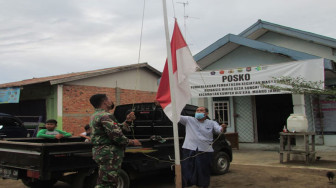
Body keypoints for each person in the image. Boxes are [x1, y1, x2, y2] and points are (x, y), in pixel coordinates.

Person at [89, 94, 141, 188]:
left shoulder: (96, 115)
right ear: (105, 102)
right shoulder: (105, 116)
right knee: (109, 183)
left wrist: (127, 121)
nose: (111, 101)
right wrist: (132, 142)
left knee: (103, 181)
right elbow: (117, 136)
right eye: (109, 99)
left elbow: (114, 129)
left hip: (102, 152)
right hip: (109, 154)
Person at [179, 106, 226, 188]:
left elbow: (219, 130)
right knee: (187, 169)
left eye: (201, 110)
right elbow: (174, 116)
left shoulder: (211, 123)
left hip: (205, 151)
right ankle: (186, 185)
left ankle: (203, 185)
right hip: (189, 149)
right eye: (197, 110)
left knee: (203, 171)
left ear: (206, 113)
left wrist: (223, 128)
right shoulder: (189, 120)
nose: (198, 112)